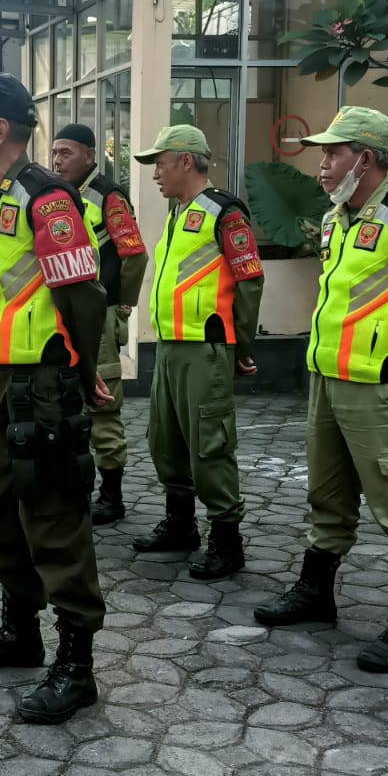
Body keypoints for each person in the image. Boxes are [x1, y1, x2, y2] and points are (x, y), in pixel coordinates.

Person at [253, 107, 388, 672]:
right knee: (328, 496)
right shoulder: (335, 218)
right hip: (328, 379)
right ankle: (315, 592)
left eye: (333, 153)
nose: (322, 164)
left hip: (378, 387)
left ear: (365, 159)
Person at [0, 73, 110, 725]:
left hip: (43, 383)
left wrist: (84, 372)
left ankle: (76, 666)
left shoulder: (47, 199)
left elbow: (82, 294)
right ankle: (20, 632)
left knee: (54, 517)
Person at [130, 125, 264, 580]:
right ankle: (180, 524)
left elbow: (249, 281)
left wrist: (241, 347)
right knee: (165, 442)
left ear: (186, 161)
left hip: (205, 350)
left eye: (160, 164)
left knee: (210, 446)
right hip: (171, 348)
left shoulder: (224, 212)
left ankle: (227, 541)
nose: (155, 174)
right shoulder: (179, 213)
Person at [51, 123, 148, 525]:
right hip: (64, 317)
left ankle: (111, 495)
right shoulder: (56, 195)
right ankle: (77, 488)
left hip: (99, 317)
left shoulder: (108, 196)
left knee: (103, 406)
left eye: (67, 153)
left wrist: (122, 305)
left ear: (90, 156)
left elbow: (134, 254)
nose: (57, 161)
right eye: (54, 153)